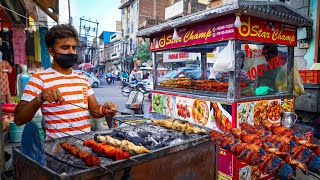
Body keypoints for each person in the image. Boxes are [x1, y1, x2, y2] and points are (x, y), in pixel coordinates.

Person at [14, 24, 118, 139]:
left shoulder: (82, 77)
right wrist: (40, 98)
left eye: (73, 48)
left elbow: (94, 110)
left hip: (85, 147)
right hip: (57, 149)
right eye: (65, 47)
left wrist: (105, 110)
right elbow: (19, 119)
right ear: (51, 51)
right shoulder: (38, 78)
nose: (71, 52)